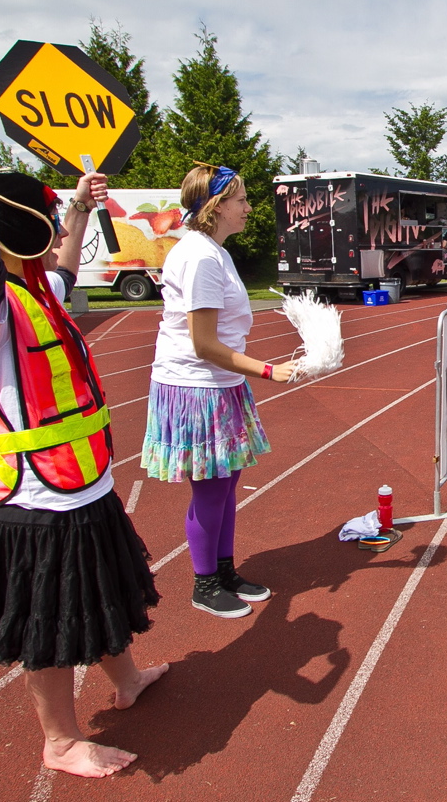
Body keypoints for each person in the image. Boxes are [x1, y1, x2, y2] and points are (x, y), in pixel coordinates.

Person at [0, 97, 165, 779]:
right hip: (34, 499)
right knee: (53, 617)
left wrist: (81, 211)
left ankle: (126, 678)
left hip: (81, 482)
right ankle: (60, 739)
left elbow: (61, 265)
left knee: (103, 591)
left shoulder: (31, 290)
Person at [142, 163, 298, 619]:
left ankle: (224, 571)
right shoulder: (199, 256)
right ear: (215, 207)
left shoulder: (215, 251)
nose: (249, 208)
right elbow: (204, 344)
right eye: (241, 200)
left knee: (227, 485)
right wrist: (269, 370)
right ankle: (204, 583)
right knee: (210, 490)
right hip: (196, 388)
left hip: (219, 384)